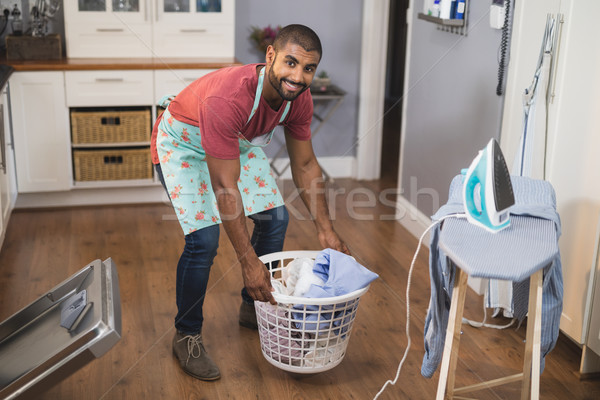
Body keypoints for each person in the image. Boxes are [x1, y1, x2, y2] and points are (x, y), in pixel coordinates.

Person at [150, 24, 349, 381]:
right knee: (204, 240)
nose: (298, 77)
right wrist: (248, 261)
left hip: (230, 141)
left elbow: (304, 164)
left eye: (308, 68)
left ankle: (252, 307)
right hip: (183, 141)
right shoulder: (229, 98)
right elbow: (225, 189)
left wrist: (327, 230)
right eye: (290, 63)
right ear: (270, 55)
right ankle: (187, 335)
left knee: (275, 218)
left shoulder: (298, 99)